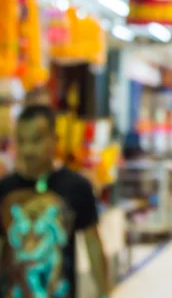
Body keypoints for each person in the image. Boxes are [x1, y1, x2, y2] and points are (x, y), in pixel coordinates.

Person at [0, 105, 110, 298]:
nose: (28, 149)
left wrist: (103, 292)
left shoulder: (76, 187)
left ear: (54, 139)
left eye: (36, 140)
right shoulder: (4, 190)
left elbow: (92, 243)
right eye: (22, 141)